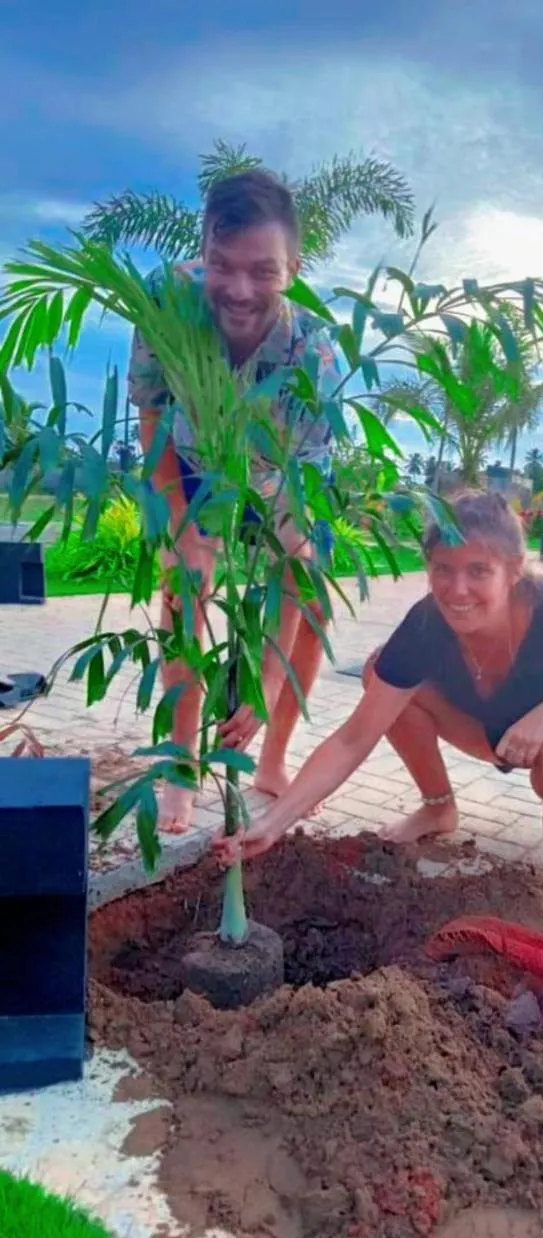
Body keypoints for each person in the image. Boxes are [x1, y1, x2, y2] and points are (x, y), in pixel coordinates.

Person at [215, 489, 543, 884]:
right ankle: (439, 807)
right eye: (443, 569)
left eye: (479, 570)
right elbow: (353, 739)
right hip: (493, 731)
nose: (457, 590)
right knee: (378, 673)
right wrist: (271, 826)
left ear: (514, 570)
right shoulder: (426, 624)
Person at [128, 169, 343, 834]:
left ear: (294, 266)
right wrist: (183, 527)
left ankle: (271, 756)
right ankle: (180, 766)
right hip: (191, 461)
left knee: (310, 608)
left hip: (290, 481)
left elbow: (291, 551)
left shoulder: (313, 357)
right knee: (182, 588)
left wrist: (266, 679)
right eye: (222, 265)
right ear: (203, 249)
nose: (240, 289)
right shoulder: (169, 303)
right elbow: (152, 415)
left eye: (263, 270)